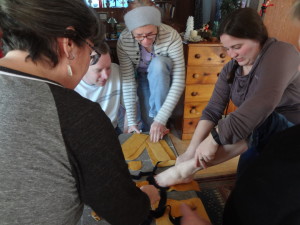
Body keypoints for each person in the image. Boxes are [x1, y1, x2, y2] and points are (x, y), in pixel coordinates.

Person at [0, 0, 160, 224]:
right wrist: (145, 198)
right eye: (91, 50)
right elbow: (124, 211)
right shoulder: (78, 116)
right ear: (68, 45)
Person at [155, 7, 299, 187]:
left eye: (237, 47)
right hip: (255, 136)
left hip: (292, 133)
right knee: (246, 184)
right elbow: (213, 110)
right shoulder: (231, 69)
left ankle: (187, 170)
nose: (231, 54)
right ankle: (189, 165)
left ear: (258, 37)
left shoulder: (282, 52)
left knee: (264, 118)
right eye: (227, 48)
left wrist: (215, 137)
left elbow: (262, 104)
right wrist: (191, 151)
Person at [117, 0, 185, 142]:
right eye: (139, 36)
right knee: (148, 123)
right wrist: (131, 122)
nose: (146, 41)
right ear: (131, 31)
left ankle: (163, 124)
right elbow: (128, 82)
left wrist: (160, 119)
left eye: (150, 34)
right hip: (141, 76)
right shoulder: (124, 40)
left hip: (165, 77)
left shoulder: (171, 36)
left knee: (158, 64)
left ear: (157, 26)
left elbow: (179, 80)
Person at [75, 41, 124, 135]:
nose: (106, 76)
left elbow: (130, 104)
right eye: (99, 70)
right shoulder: (72, 87)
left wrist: (129, 127)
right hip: (86, 135)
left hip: (113, 130)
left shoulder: (117, 71)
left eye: (108, 68)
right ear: (83, 66)